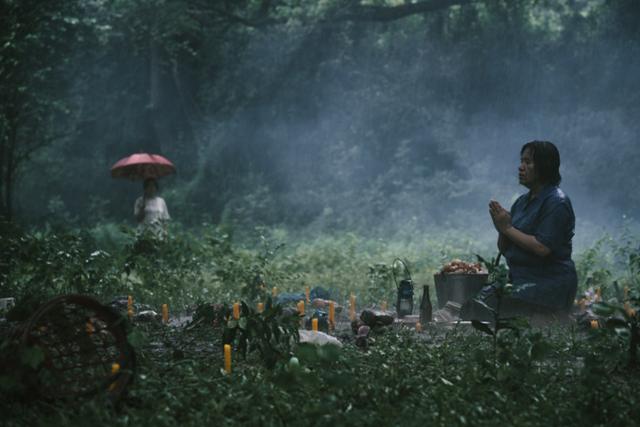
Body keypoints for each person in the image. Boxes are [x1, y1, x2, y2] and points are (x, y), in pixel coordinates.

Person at [463, 141, 577, 321]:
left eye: (528, 162)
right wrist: (501, 228)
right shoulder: (522, 202)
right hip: (519, 282)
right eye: (521, 161)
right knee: (474, 303)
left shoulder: (556, 202)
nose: (521, 167)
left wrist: (507, 228)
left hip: (547, 285)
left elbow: (542, 248)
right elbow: (504, 248)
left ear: (545, 166)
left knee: (486, 309)